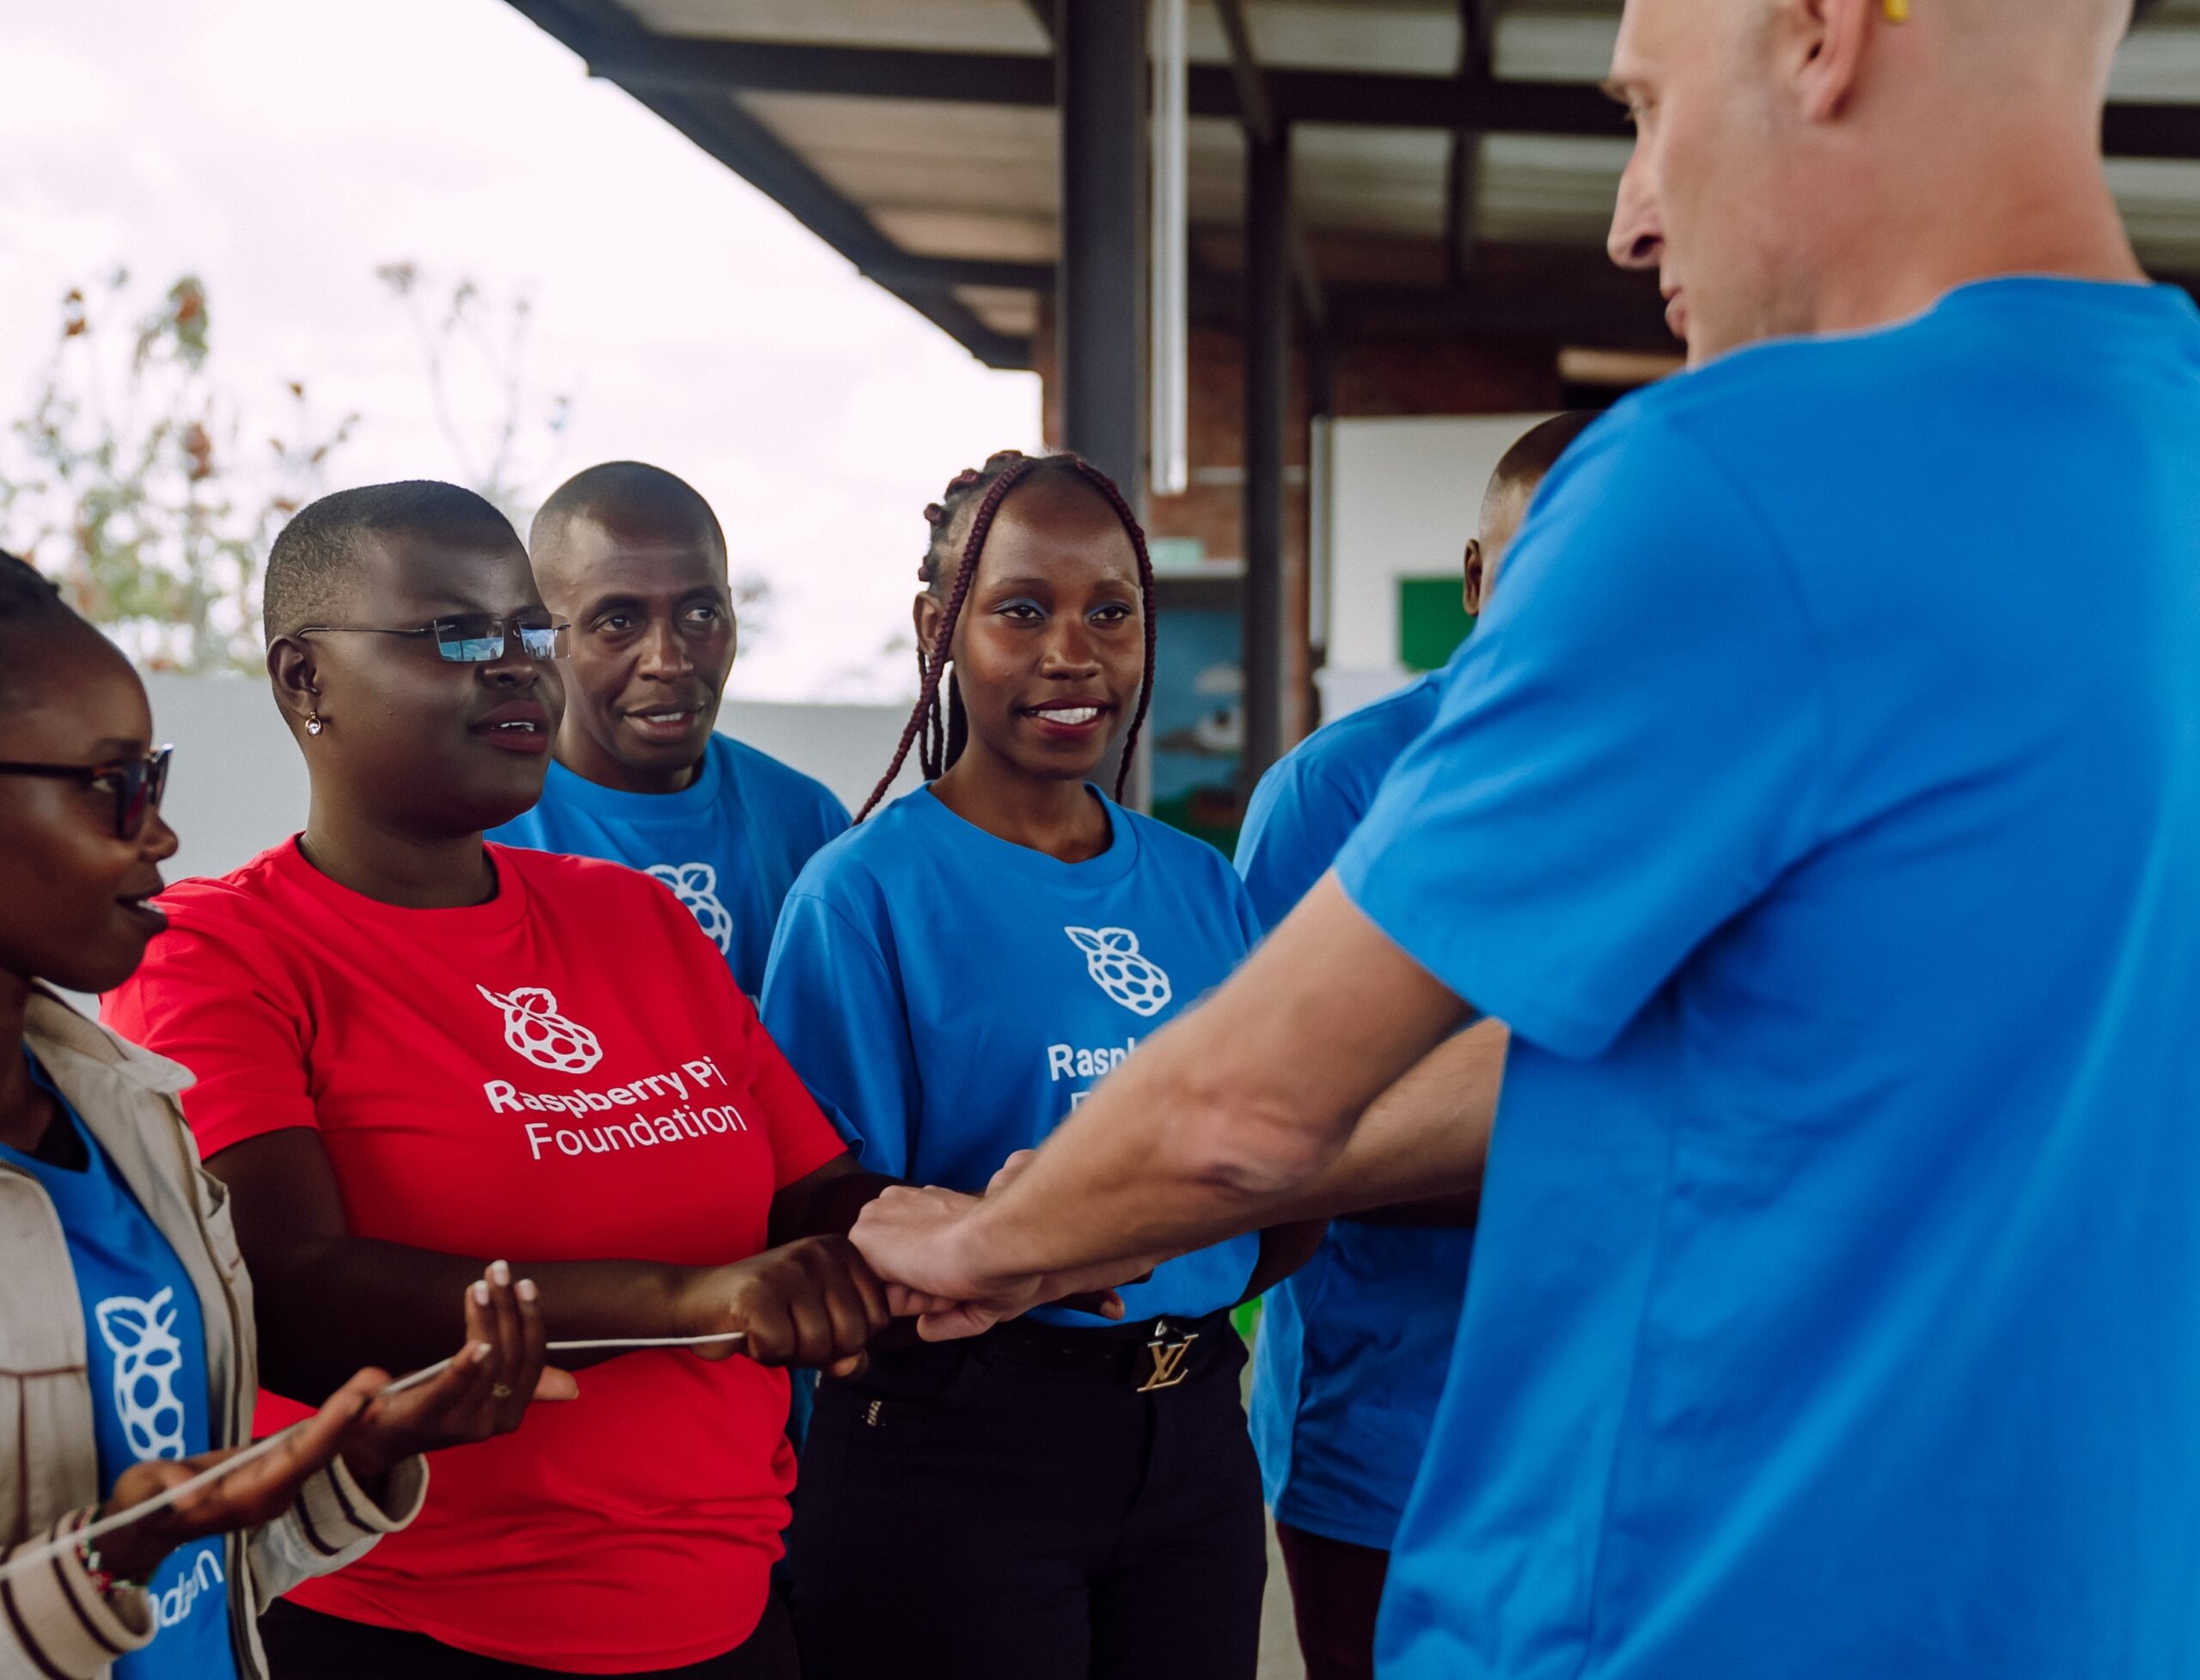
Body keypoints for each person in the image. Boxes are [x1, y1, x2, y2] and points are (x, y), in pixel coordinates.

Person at [847, 3, 2200, 1677]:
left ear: (1814, 36)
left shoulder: (1735, 480)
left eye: (1644, 107)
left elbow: (1249, 1105)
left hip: (1688, 1607)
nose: (1632, 211)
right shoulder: (2158, 473)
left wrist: (981, 1235)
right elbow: (1770, 1045)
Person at [101, 483, 902, 1680]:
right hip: (402, 1625)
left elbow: (812, 1196)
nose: (519, 668)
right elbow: (291, 1294)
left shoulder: (629, 915)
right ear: (303, 679)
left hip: (731, 1613)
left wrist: (987, 1230)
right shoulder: (216, 949)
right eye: (458, 636)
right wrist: (699, 1299)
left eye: (530, 632)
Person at [758, 450, 1324, 1680]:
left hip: (1191, 1434)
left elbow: (1286, 1185)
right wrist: (1037, 1252)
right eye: (1023, 609)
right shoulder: (863, 895)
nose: (1074, 651)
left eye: (1110, 611)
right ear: (938, 626)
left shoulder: (1199, 885)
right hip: (959, 1445)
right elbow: (813, 1217)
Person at [0, 550, 558, 1680]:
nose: (157, 834)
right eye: (112, 783)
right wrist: (115, 1552)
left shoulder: (131, 1113)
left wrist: (358, 1456)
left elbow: (213, 1570)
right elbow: (131, 1553)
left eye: (152, 778)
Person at [1237, 411, 1594, 1680]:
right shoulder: (1338, 794)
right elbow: (1279, 1127)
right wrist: (1602, 1150)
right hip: (1389, 1433)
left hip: (1622, 1423)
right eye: (1539, 564)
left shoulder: (1690, 782)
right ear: (1475, 578)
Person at [488, 461, 848, 1001]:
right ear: (543, 638)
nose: (668, 660)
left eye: (701, 613)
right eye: (617, 622)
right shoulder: (482, 837)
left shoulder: (806, 821)